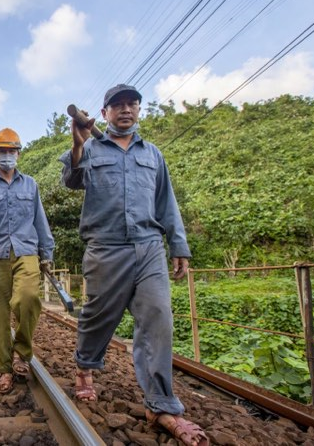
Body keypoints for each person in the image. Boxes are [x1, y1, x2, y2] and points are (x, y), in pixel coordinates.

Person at [60, 84, 209, 446]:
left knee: (158, 316)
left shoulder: (153, 154)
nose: (125, 110)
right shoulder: (91, 148)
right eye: (118, 105)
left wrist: (179, 245)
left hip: (148, 247)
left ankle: (161, 404)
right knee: (97, 315)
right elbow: (70, 180)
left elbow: (165, 202)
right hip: (105, 248)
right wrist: (78, 142)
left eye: (131, 104)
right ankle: (85, 366)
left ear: (139, 110)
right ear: (105, 112)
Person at [0, 128, 55, 394]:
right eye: (2, 151)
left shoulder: (31, 185)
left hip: (26, 251)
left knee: (27, 298)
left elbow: (40, 220)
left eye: (11, 151)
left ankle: (22, 352)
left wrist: (47, 252)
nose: (6, 156)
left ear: (18, 154)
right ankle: (4, 370)